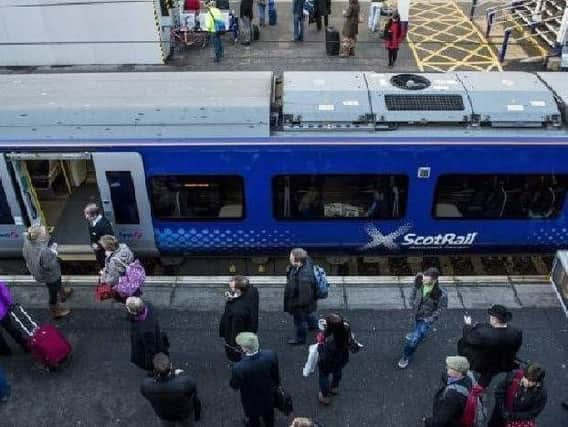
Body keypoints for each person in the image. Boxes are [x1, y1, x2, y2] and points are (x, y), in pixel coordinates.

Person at [458, 304, 523, 387]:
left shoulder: (485, 335)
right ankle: (480, 389)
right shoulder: (516, 332)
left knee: (485, 373)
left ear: (495, 319)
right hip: (504, 361)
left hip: (484, 361)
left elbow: (469, 338)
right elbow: (517, 346)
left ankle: (476, 388)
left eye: (491, 317)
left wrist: (467, 325)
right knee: (488, 376)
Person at [398, 267, 447, 369]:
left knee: (414, 340)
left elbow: (442, 309)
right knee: (418, 328)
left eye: (426, 280)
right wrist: (411, 302)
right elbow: (413, 291)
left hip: (426, 318)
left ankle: (406, 356)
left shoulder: (441, 294)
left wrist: (430, 319)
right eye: (423, 278)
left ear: (434, 280)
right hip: (417, 313)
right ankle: (422, 335)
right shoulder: (419, 281)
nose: (423, 281)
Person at [230, 332, 280, 427]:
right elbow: (276, 375)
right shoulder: (271, 355)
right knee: (269, 413)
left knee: (253, 417)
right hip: (268, 392)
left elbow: (234, 385)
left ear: (245, 349)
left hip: (250, 397)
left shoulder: (238, 367)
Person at [22, 224, 72, 319]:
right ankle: (56, 311)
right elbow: (51, 265)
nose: (48, 235)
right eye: (46, 234)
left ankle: (63, 293)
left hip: (37, 271)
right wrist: (53, 251)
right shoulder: (44, 251)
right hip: (49, 275)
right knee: (53, 291)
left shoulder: (27, 241)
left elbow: (25, 255)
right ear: (40, 238)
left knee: (57, 283)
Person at [141, 353, 201, 427]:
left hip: (164, 415)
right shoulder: (185, 383)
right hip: (183, 413)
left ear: (155, 370)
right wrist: (180, 375)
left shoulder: (147, 385)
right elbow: (192, 389)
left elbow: (145, 393)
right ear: (171, 366)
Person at [489, 363, 547, 427]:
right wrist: (501, 408)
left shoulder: (540, 394)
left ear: (538, 383)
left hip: (516, 420)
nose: (526, 382)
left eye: (531, 381)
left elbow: (533, 413)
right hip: (500, 414)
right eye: (526, 377)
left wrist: (512, 416)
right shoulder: (514, 376)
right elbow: (499, 391)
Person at [424, 356, 476, 427]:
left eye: (450, 368)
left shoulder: (452, 396)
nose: (447, 368)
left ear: (458, 372)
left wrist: (428, 421)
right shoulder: (468, 378)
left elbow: (440, 421)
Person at [219, 275, 259, 362]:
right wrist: (233, 296)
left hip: (236, 333)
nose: (230, 289)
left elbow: (235, 330)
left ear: (239, 289)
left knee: (235, 354)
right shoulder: (252, 291)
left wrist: (231, 344)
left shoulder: (238, 311)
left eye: (232, 287)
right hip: (250, 327)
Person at [284, 248, 319, 345]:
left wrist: (293, 305)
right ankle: (313, 325)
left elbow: (304, 299)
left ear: (297, 261)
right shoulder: (306, 260)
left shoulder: (304, 279)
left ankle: (300, 339)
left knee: (299, 322)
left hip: (300, 305)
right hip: (309, 303)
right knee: (309, 313)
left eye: (291, 257)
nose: (289, 258)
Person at [127, 297, 169, 372]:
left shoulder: (146, 331)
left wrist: (149, 366)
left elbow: (150, 350)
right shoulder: (148, 305)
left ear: (134, 312)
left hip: (143, 346)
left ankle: (154, 371)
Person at [317, 314, 350, 405]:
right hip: (342, 358)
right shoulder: (346, 329)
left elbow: (323, 355)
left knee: (323, 375)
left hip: (328, 362)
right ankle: (335, 387)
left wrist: (320, 344)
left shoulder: (330, 344)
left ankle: (325, 396)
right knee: (338, 371)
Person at [0, 281, 29, 356]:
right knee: (11, 329)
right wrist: (9, 303)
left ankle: (5, 351)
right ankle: (24, 344)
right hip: (2, 312)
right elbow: (4, 292)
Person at [84, 203, 114, 269]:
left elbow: (109, 240)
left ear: (94, 215)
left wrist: (98, 245)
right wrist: (92, 244)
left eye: (87, 214)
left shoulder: (104, 225)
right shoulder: (91, 222)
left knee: (106, 266)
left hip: (105, 253)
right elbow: (92, 236)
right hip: (98, 252)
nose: (86, 217)